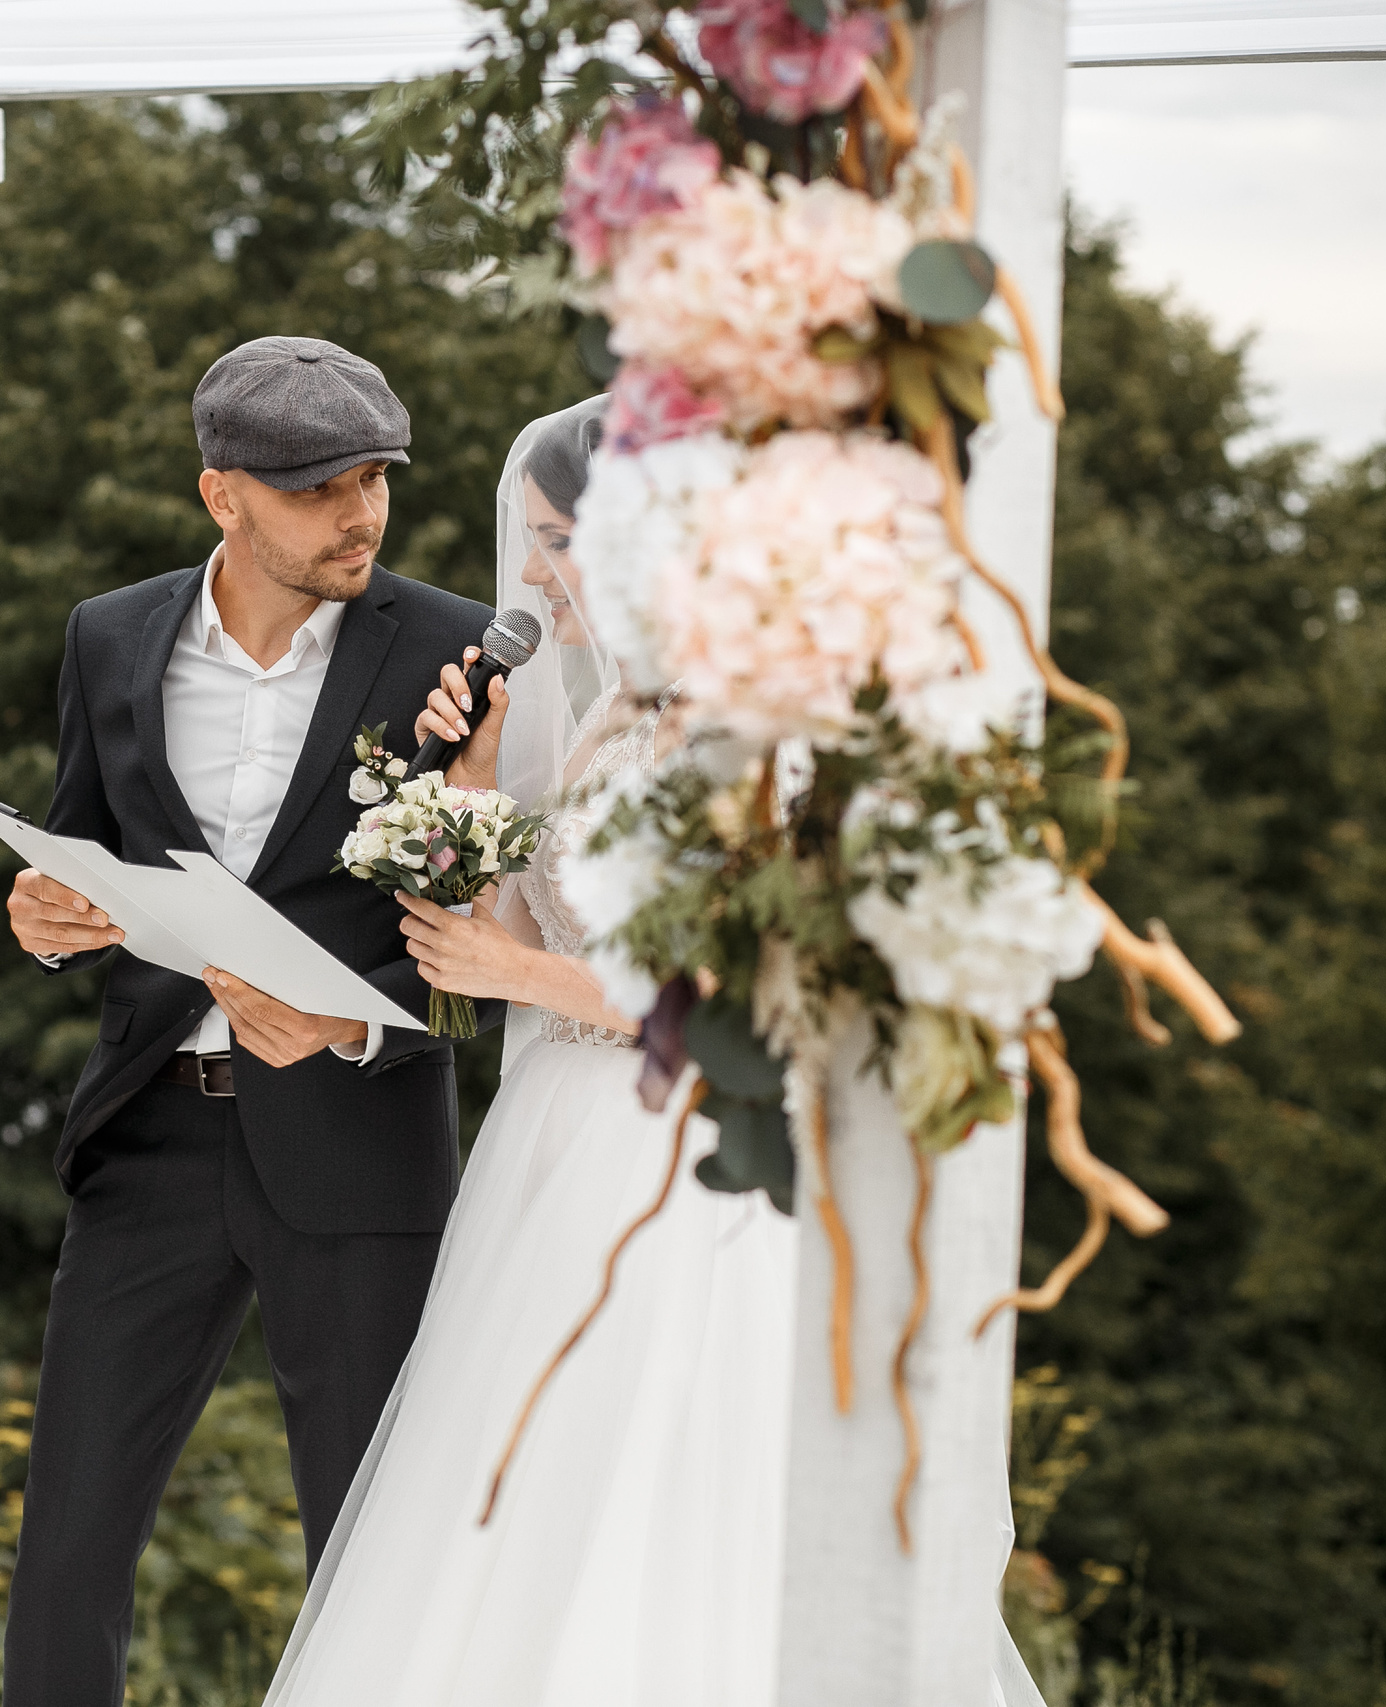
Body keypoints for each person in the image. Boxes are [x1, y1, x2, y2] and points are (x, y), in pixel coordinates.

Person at [262, 399, 1043, 1705]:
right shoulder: (616, 711)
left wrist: (517, 975)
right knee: (521, 1506)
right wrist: (473, 780)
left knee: (674, 1504)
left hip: (692, 1167)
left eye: (563, 545)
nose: (538, 581)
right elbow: (519, 916)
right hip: (554, 1147)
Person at [0, 336, 500, 1707]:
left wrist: (346, 1030)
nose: (362, 513)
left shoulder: (461, 652)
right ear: (225, 497)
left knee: (367, 1538)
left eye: (377, 478)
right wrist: (40, 916)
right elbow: (77, 848)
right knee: (71, 1541)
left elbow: (495, 943)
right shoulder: (109, 634)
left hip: (359, 1143)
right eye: (321, 487)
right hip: (149, 1137)